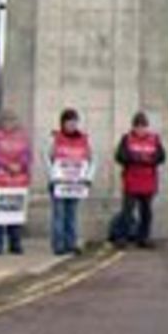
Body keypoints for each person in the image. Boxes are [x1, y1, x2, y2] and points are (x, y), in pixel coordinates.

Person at [110, 112, 166, 249]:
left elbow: (161, 156)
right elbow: (119, 156)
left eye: (143, 126)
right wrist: (137, 159)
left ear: (147, 127)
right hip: (131, 181)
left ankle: (144, 238)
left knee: (146, 212)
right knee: (127, 211)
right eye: (138, 127)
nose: (141, 129)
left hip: (148, 181)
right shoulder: (126, 138)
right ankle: (122, 237)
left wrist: (146, 159)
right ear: (133, 127)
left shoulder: (155, 139)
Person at [46, 108, 95, 256]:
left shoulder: (83, 139)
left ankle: (71, 243)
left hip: (76, 183)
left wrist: (88, 178)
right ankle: (58, 244)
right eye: (69, 122)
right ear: (63, 123)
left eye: (74, 122)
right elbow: (49, 159)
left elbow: (90, 160)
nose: (72, 125)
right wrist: (53, 177)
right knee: (59, 215)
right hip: (59, 182)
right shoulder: (56, 138)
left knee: (72, 215)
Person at [0, 110, 31, 255]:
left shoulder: (22, 136)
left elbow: (27, 154)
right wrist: (8, 165)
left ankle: (15, 243)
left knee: (15, 211)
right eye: (6, 120)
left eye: (12, 120)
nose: (9, 124)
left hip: (17, 180)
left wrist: (20, 165)